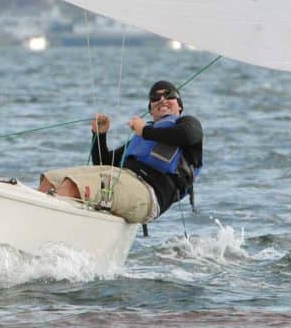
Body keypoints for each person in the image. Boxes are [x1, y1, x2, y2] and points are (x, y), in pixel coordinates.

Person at [38, 80, 203, 223]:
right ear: (151, 109)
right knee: (51, 180)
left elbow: (188, 135)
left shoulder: (188, 124)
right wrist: (100, 135)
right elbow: (104, 164)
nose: (162, 100)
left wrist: (144, 131)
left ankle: (42, 231)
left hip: (149, 194)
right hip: (123, 179)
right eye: (155, 97)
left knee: (72, 187)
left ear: (180, 105)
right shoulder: (142, 138)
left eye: (169, 95)